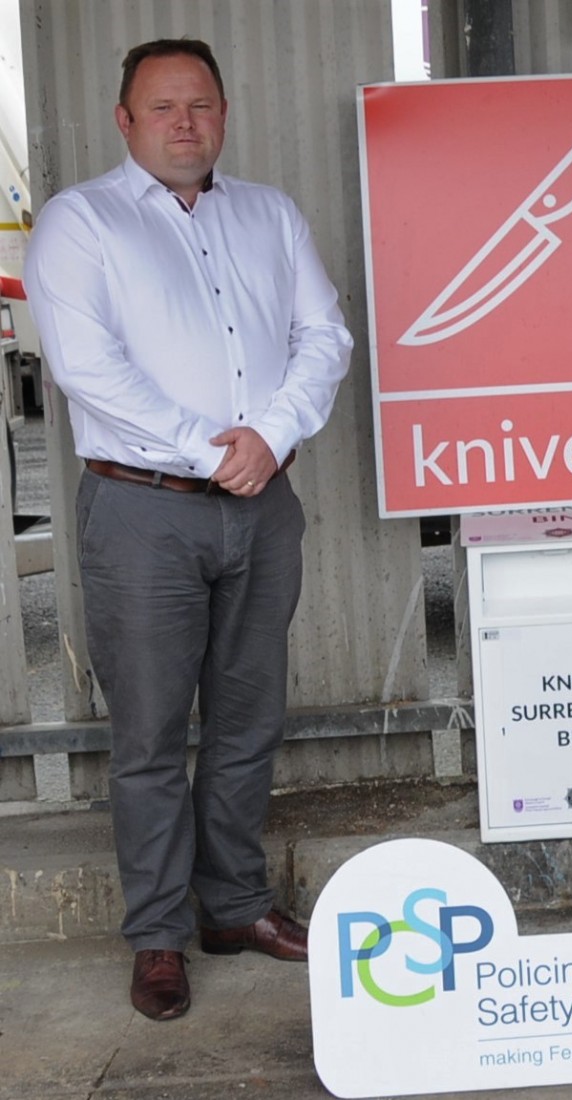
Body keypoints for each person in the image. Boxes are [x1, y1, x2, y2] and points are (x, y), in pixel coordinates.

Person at [24, 38, 353, 1018]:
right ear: (125, 121)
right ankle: (160, 932)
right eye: (162, 107)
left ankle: (235, 905)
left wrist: (273, 433)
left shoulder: (269, 214)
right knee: (152, 736)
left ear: (223, 112)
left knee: (249, 721)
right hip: (143, 513)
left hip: (266, 507)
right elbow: (89, 369)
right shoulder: (80, 225)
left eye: (200, 105)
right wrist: (215, 451)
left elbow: (323, 334)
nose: (184, 123)